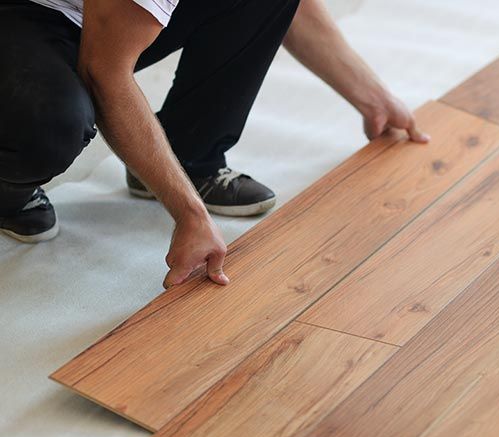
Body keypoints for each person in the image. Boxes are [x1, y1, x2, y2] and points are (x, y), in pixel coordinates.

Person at [0, 0, 428, 288]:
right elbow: (103, 71)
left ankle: (188, 154)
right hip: (24, 14)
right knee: (51, 124)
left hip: (101, 16)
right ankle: (9, 190)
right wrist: (189, 214)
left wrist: (374, 98)